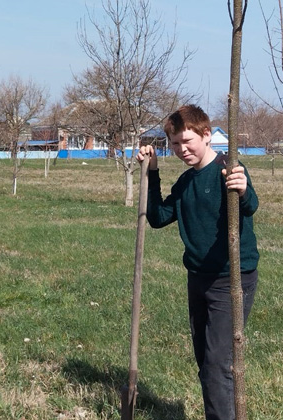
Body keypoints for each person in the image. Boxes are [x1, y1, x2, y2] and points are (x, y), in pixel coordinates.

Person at [136, 105, 259, 420]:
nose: (181, 150)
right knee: (206, 362)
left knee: (218, 365)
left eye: (187, 141)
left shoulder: (227, 169)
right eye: (175, 144)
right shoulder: (186, 182)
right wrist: (152, 172)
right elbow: (159, 217)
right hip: (198, 278)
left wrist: (242, 190)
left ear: (207, 135)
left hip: (231, 279)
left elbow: (250, 205)